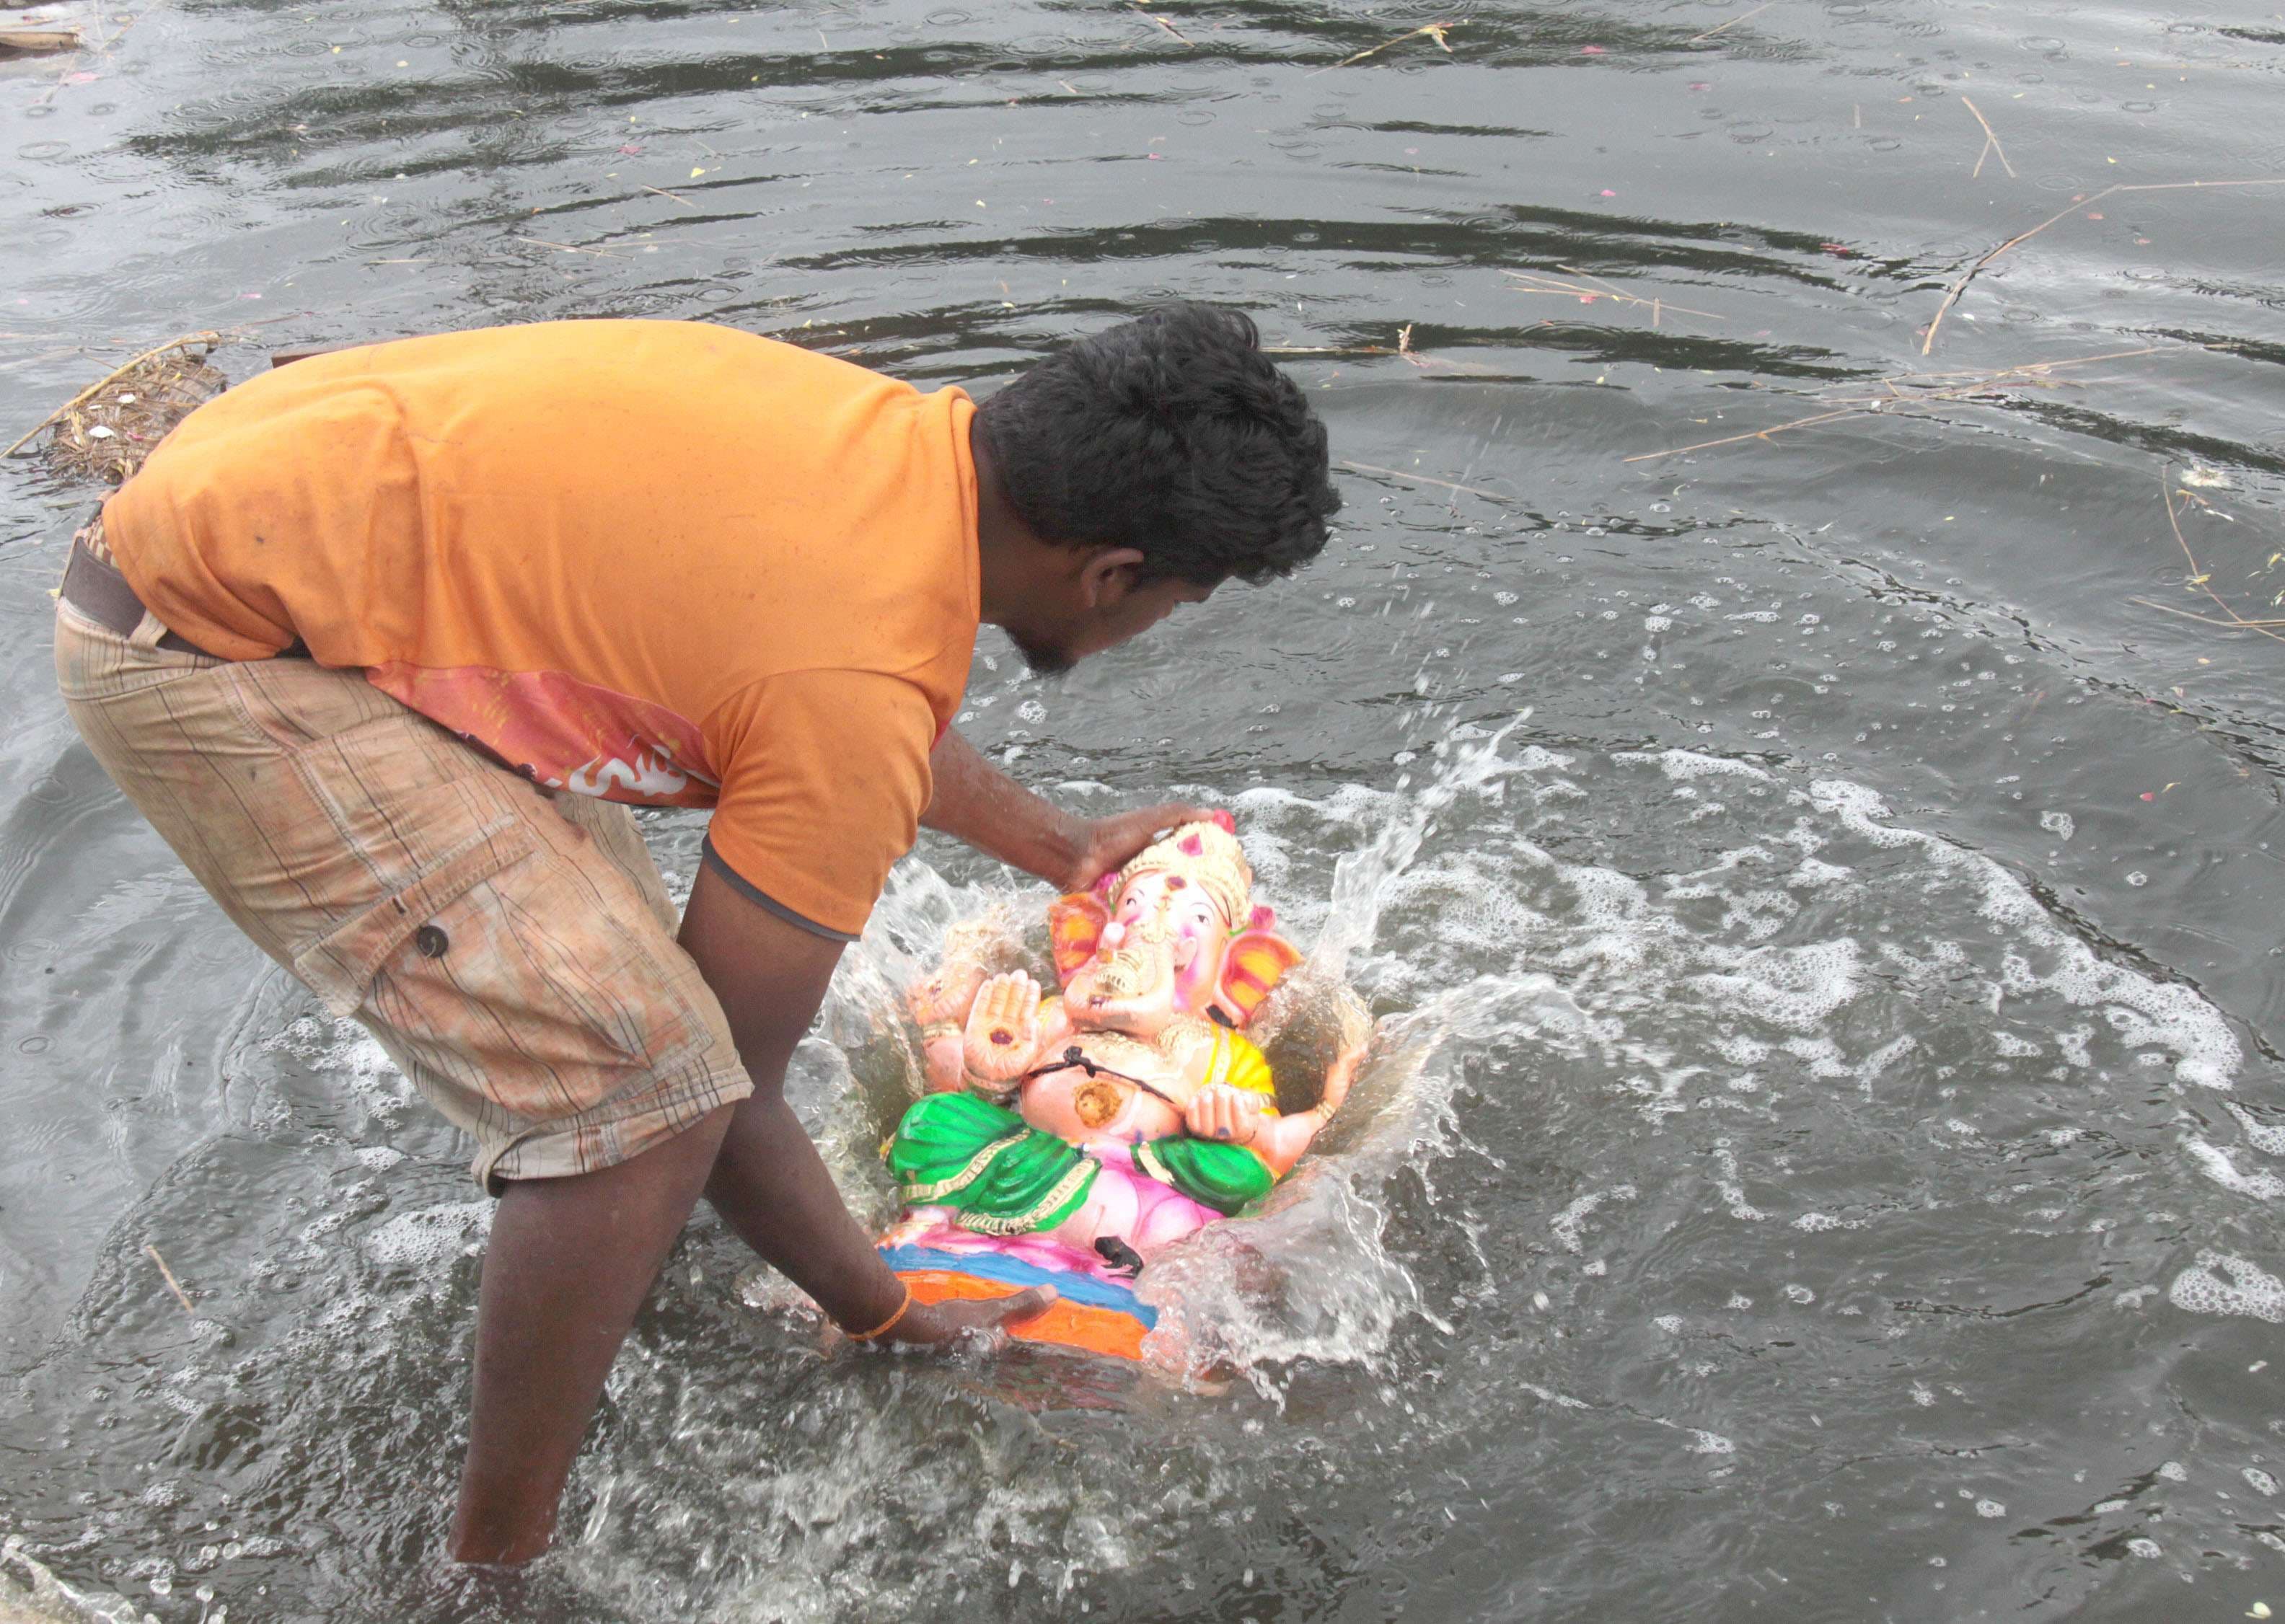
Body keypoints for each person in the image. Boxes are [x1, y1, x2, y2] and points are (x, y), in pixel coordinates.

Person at [49, 303, 1339, 1563]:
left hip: (275, 517)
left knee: (625, 1046)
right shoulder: (853, 682)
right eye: (1180, 599)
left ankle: (580, 1270)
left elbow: (827, 684)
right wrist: (888, 1312)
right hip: (211, 648)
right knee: (644, 1093)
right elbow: (722, 1090)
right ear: (1113, 573)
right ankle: (493, 1576)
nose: (1156, 625)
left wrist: (1062, 850)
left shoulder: (890, 446)